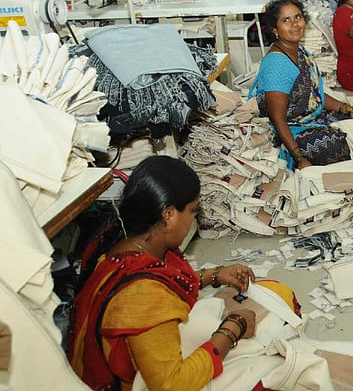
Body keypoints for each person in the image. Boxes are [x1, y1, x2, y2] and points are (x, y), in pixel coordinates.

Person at [68, 156, 299, 390]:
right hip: (148, 383)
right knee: (278, 373)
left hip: (151, 357)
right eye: (192, 210)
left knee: (274, 290)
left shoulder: (125, 243)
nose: (193, 219)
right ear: (168, 215)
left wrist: (216, 275)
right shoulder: (143, 296)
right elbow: (173, 384)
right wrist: (233, 328)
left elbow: (164, 280)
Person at [250, 0, 353, 168]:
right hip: (285, 129)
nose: (294, 24)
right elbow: (277, 119)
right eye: (286, 20)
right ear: (275, 30)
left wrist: (349, 109)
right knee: (335, 146)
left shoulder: (300, 52)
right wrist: (299, 157)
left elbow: (314, 95)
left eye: (297, 17)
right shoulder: (277, 64)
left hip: (306, 118)